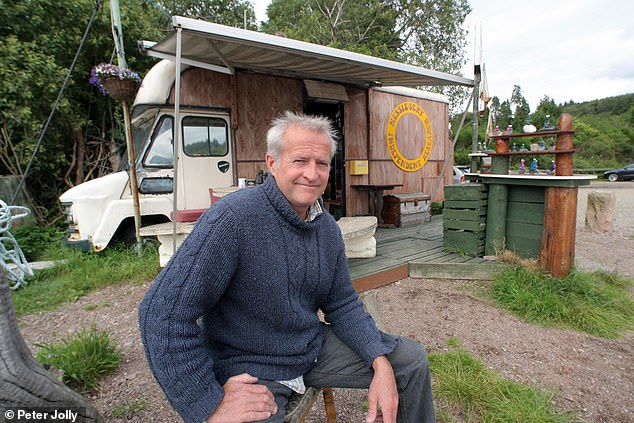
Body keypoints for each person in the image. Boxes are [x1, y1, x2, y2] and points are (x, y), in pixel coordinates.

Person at [139, 111, 435, 423]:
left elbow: (342, 303)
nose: (312, 173)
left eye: (321, 163)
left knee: (411, 361)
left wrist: (379, 360)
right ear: (272, 163)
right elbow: (161, 315)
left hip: (310, 349)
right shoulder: (233, 219)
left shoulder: (326, 229)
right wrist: (209, 405)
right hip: (250, 365)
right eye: (300, 161)